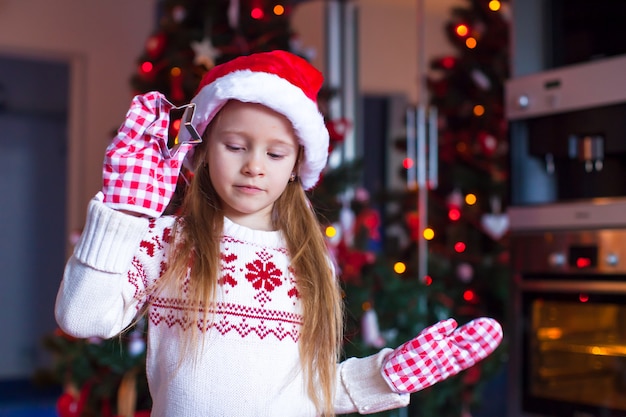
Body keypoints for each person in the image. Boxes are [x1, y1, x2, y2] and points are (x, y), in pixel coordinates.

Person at [55, 50, 503, 416]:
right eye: (235, 146)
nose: (253, 165)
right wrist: (121, 212)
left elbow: (313, 391)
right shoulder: (171, 241)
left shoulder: (309, 260)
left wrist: (383, 376)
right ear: (206, 150)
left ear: (296, 166)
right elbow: (82, 318)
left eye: (275, 152)